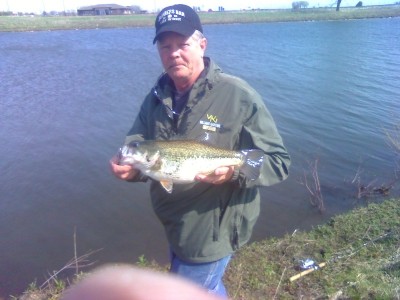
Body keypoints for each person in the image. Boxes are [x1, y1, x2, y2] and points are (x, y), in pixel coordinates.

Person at [110, 4, 290, 298]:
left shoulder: (238, 95)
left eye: (182, 44)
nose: (174, 53)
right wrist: (127, 168)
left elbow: (278, 162)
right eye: (165, 46)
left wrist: (234, 171)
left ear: (202, 44)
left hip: (212, 231)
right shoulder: (157, 96)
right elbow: (139, 142)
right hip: (174, 224)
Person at [61, 264, 222, 300]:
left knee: (198, 287)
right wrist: (138, 174)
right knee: (209, 285)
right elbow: (165, 178)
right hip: (180, 231)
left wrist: (232, 174)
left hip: (209, 243)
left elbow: (248, 178)